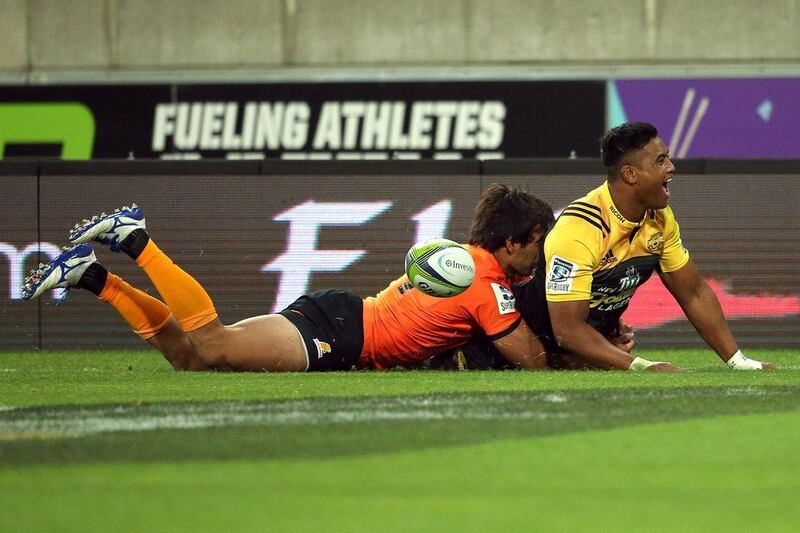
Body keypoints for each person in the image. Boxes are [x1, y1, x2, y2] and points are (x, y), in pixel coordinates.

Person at [22, 184, 558, 372]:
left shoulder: (469, 260)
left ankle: (93, 278)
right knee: (211, 344)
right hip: (343, 334)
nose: (540, 254)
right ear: (515, 239)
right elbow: (530, 360)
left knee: (189, 357)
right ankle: (137, 240)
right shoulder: (487, 286)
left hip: (344, 318)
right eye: (538, 242)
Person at [450, 122, 773, 371]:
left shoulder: (660, 218)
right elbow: (568, 330)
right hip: (513, 351)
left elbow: (694, 292)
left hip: (579, 353)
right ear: (630, 174)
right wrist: (639, 366)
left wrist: (738, 361)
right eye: (661, 161)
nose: (671, 168)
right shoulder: (578, 229)